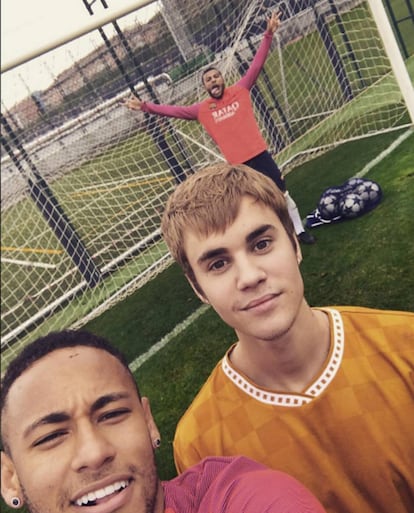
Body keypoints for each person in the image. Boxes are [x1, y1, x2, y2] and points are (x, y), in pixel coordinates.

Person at [160, 162, 414, 513]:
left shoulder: (405, 342)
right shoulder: (200, 443)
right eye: (218, 264)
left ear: (294, 244)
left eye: (261, 244)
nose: (249, 276)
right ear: (197, 287)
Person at [0, 330, 326, 513]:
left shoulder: (241, 499)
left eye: (112, 415)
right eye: (50, 437)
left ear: (149, 424)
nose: (94, 452)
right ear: (9, 478)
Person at [126, 11, 315, 245]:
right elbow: (171, 110)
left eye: (216, 76)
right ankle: (274, 237)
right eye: (208, 79)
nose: (213, 80)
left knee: (282, 193)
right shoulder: (201, 110)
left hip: (260, 156)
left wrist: (268, 33)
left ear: (222, 79)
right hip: (239, 167)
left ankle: (299, 231)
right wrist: (144, 106)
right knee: (255, 203)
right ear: (205, 87)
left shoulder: (241, 89)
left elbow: (256, 64)